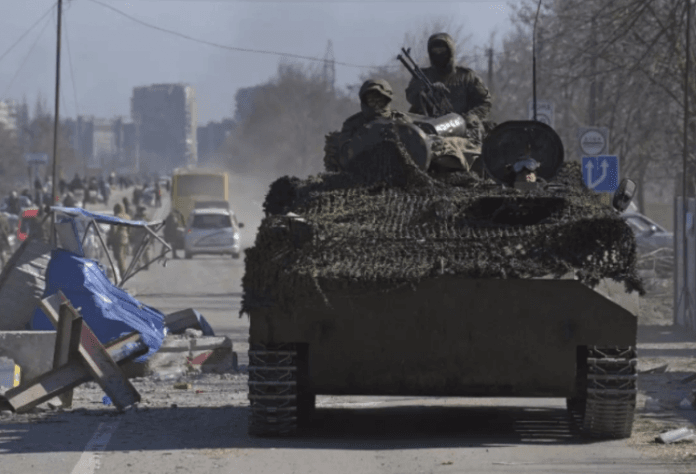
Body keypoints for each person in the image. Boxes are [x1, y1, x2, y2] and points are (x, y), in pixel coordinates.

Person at [405, 32, 492, 138]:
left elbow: (484, 102)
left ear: (450, 51)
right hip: (429, 128)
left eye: (442, 50)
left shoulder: (467, 76)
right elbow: (411, 97)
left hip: (462, 129)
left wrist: (472, 116)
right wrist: (427, 91)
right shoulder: (423, 76)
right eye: (435, 51)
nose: (438, 54)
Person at [108, 203, 131, 280]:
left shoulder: (116, 217)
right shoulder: (127, 217)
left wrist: (110, 240)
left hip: (118, 238)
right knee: (123, 256)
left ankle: (123, 273)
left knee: (119, 256)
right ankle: (123, 272)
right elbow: (130, 229)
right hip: (126, 237)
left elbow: (113, 230)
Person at [129, 206, 150, 270]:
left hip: (139, 238)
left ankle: (139, 265)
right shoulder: (146, 219)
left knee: (137, 252)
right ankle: (145, 265)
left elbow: (132, 229)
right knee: (144, 252)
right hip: (144, 237)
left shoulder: (136, 219)